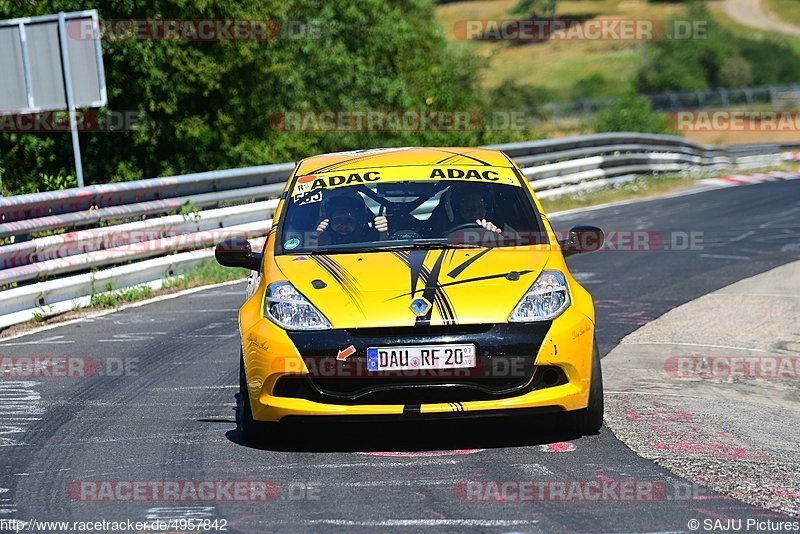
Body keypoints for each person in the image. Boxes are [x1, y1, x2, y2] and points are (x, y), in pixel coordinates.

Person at [313, 190, 388, 245]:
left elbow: (385, 257)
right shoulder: (314, 235)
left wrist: (383, 234)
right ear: (327, 220)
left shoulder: (369, 239)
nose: (344, 225)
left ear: (359, 222)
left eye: (349, 221)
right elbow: (306, 254)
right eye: (338, 220)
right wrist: (317, 236)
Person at [426, 184, 503, 237]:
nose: (475, 211)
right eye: (469, 208)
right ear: (454, 210)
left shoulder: (497, 229)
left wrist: (493, 235)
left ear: (487, 209)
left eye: (480, 206)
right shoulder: (435, 236)